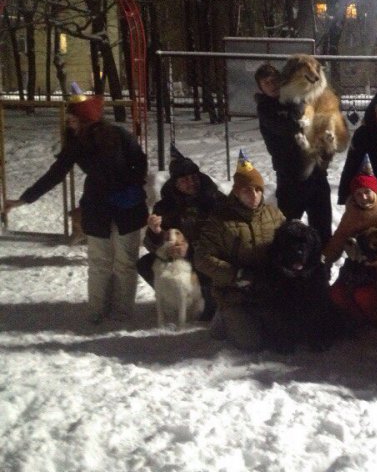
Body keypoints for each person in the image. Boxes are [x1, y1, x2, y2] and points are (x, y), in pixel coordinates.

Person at [3, 94, 148, 324]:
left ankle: (122, 313)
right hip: (98, 209)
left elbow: (140, 162)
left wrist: (127, 184)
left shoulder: (120, 135)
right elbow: (55, 174)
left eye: (72, 116)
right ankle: (97, 311)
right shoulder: (77, 144)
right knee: (99, 263)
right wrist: (24, 200)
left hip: (127, 208)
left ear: (86, 118)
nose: (69, 121)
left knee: (125, 263)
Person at [193, 151, 286, 351]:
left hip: (266, 288)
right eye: (246, 190)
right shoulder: (219, 220)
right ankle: (224, 317)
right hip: (234, 292)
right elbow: (202, 259)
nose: (253, 195)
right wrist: (236, 274)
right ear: (236, 192)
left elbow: (288, 242)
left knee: (281, 335)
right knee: (252, 344)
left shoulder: (274, 214)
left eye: (257, 190)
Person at [136, 145, 226, 322]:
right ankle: (176, 299)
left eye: (194, 177)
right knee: (146, 263)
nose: (192, 182)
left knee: (205, 313)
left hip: (210, 258)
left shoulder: (215, 198)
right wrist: (156, 233)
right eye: (185, 180)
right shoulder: (165, 206)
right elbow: (152, 246)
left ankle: (209, 300)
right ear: (175, 184)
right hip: (182, 260)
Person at [254, 62, 333, 244]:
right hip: (290, 177)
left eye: (274, 80)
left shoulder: (299, 97)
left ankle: (323, 267)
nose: (271, 85)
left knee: (322, 228)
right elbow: (288, 127)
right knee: (288, 230)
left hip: (316, 174)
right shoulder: (266, 108)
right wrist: (301, 111)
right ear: (261, 88)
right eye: (266, 83)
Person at [324, 157, 377, 328]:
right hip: (355, 270)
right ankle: (357, 319)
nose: (363, 197)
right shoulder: (351, 216)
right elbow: (338, 240)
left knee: (364, 294)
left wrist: (370, 260)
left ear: (375, 192)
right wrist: (324, 258)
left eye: (367, 192)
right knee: (336, 293)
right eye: (358, 194)